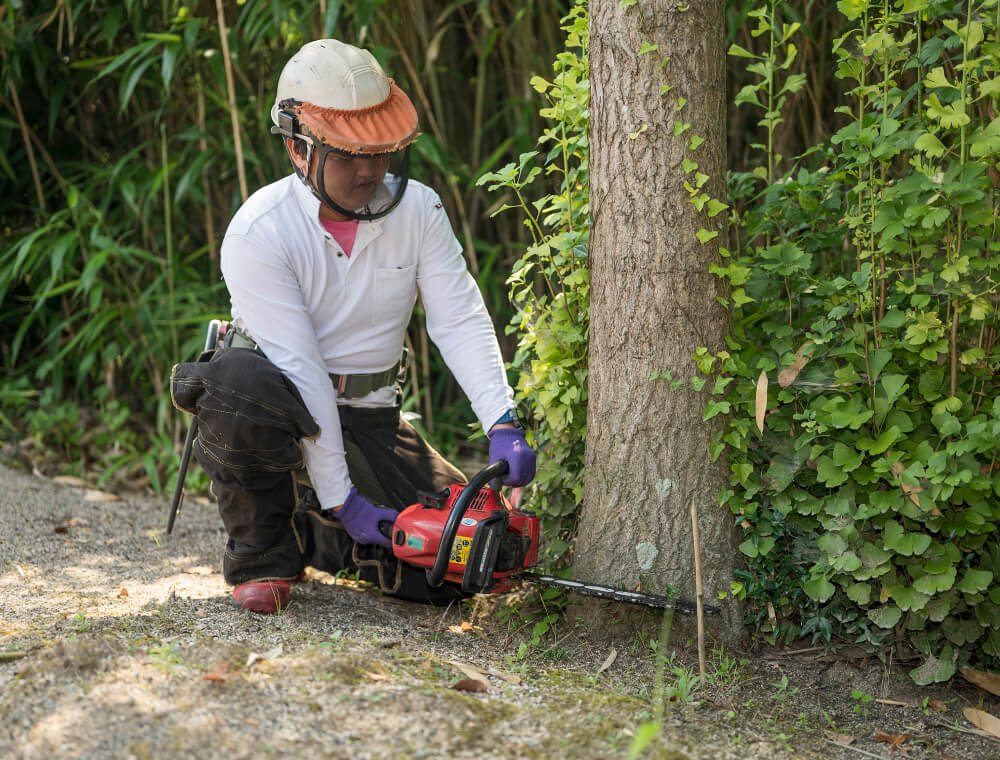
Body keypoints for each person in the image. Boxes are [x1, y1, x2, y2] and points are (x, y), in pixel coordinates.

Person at [170, 39, 536, 614]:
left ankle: (314, 529)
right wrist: (345, 497)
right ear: (297, 147)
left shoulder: (420, 211)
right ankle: (263, 554)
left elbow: (459, 315)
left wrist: (502, 419)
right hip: (283, 404)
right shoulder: (259, 233)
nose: (369, 169)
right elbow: (302, 369)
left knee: (451, 569)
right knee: (237, 385)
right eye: (347, 153)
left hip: (372, 416)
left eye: (380, 150)